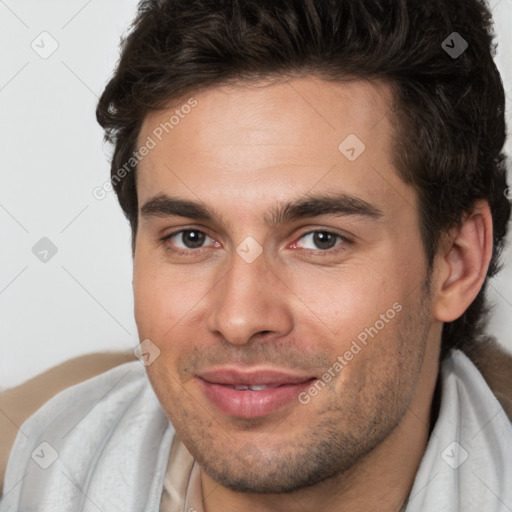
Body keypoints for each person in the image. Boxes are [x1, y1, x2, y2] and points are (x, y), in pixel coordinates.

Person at [1, 0, 512, 510]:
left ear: (456, 263)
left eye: (320, 240)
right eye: (192, 238)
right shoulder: (35, 461)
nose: (239, 319)